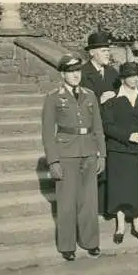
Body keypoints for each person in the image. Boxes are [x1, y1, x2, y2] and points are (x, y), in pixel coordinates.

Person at [42, 54, 106, 261]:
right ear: (62, 74)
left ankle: (90, 242)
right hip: (66, 153)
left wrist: (102, 154)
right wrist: (53, 161)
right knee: (67, 201)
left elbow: (98, 127)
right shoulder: (53, 97)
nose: (76, 75)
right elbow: (47, 132)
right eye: (71, 72)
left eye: (78, 71)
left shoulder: (89, 95)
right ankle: (67, 244)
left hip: (88, 152)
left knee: (89, 201)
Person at [101, 62, 138, 244]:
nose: (135, 79)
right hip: (118, 150)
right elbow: (107, 126)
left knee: (137, 189)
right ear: (123, 78)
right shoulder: (112, 100)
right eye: (131, 76)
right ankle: (121, 226)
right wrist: (127, 136)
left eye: (137, 75)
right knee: (120, 189)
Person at [79, 31, 120, 215]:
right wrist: (99, 98)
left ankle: (106, 206)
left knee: (108, 167)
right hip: (91, 128)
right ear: (92, 53)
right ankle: (90, 207)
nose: (107, 54)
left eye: (108, 50)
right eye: (103, 51)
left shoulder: (113, 72)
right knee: (92, 168)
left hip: (111, 128)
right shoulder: (82, 73)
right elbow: (78, 101)